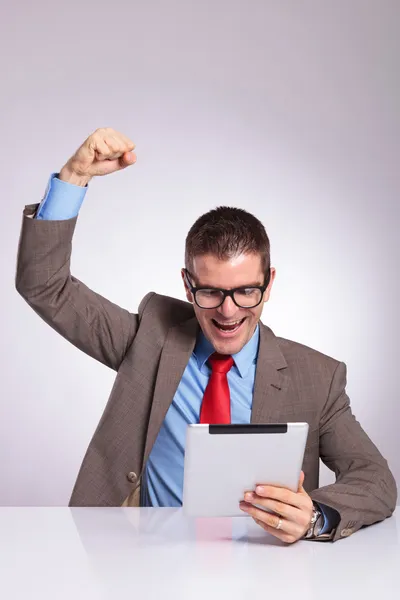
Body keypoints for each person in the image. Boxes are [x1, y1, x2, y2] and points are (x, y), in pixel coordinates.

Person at [16, 127, 397, 544]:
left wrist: (312, 518)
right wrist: (73, 177)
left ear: (268, 284)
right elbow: (44, 285)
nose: (228, 310)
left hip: (259, 570)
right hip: (137, 564)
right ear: (187, 285)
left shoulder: (317, 379)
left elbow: (376, 480)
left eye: (246, 291)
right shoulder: (148, 338)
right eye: (211, 291)